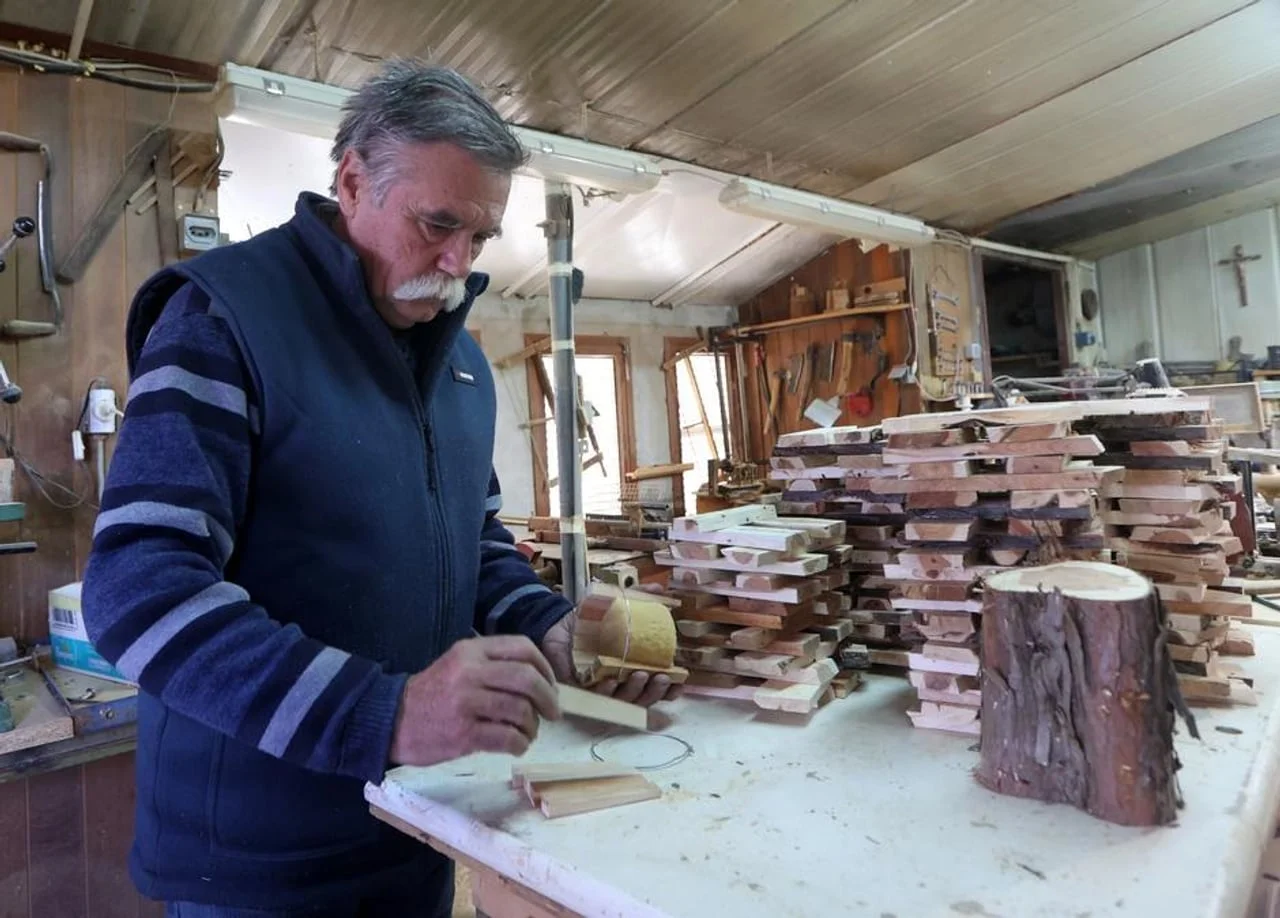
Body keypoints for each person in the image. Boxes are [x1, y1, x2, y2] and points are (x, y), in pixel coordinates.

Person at [81, 60, 679, 918]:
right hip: (261, 862)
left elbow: (470, 544)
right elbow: (138, 591)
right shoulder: (225, 320)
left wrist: (548, 628)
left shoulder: (461, 361)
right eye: (437, 224)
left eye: (479, 238)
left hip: (417, 821)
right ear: (353, 180)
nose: (457, 263)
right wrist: (384, 713)